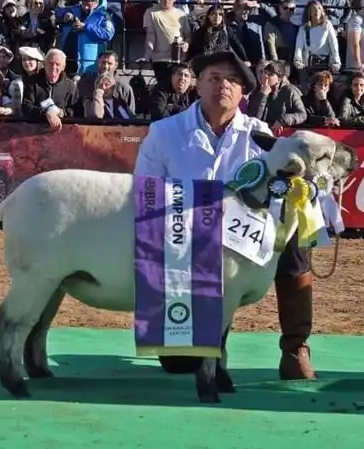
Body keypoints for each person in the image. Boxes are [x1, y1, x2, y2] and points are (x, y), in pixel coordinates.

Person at [134, 50, 320, 380]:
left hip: (242, 242)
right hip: (184, 243)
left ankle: (295, 346)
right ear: (197, 85)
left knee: (295, 230)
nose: (223, 86)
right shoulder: (164, 132)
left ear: (242, 93)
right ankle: (198, 337)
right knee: (179, 366)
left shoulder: (261, 134)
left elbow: (278, 189)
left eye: (232, 80)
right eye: (214, 78)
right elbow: (146, 193)